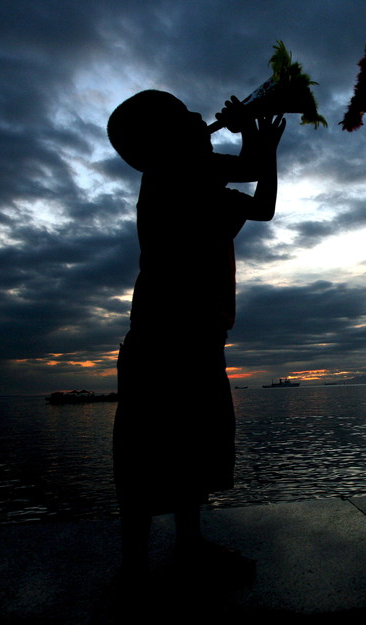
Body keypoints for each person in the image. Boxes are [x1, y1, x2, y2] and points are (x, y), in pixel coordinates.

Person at [106, 90, 285, 581]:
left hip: (182, 338)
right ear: (164, 142)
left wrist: (253, 138)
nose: (198, 116)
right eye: (185, 115)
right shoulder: (182, 172)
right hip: (172, 339)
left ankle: (163, 554)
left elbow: (258, 198)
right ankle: (155, 559)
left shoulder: (183, 177)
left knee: (181, 448)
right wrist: (256, 137)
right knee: (155, 451)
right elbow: (259, 186)